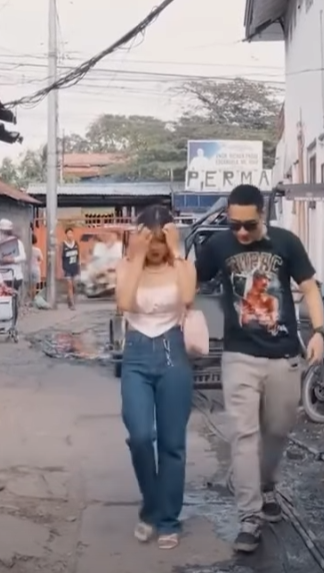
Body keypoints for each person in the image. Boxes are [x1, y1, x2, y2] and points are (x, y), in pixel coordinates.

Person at [195, 184, 324, 554]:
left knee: (278, 432)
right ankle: (249, 517)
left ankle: (267, 485)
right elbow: (190, 278)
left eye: (248, 225)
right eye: (234, 224)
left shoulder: (285, 243)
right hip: (239, 356)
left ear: (262, 216)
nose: (240, 232)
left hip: (283, 357)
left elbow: (309, 288)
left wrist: (319, 332)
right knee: (244, 436)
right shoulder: (218, 246)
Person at [115, 205, 196, 550]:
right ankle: (151, 505)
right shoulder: (126, 266)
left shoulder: (182, 265)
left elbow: (188, 297)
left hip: (172, 352)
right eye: (152, 239)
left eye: (163, 239)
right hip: (136, 354)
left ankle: (167, 520)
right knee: (139, 436)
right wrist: (135, 257)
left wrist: (177, 252)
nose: (157, 247)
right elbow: (124, 302)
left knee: (172, 443)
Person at [0, 219, 27, 321]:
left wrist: (12, 259)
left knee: (12, 301)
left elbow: (23, 257)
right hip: (2, 277)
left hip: (15, 276)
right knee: (1, 301)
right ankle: (3, 322)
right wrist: (0, 280)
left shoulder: (17, 242)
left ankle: (12, 323)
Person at [61, 227, 80, 309]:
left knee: (74, 285)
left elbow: (78, 256)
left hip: (75, 268)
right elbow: (60, 257)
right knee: (69, 285)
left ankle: (69, 298)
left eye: (71, 233)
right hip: (67, 268)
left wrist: (79, 266)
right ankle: (72, 304)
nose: (70, 235)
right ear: (66, 235)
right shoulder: (63, 245)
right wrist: (61, 269)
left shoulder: (76, 244)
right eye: (68, 233)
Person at [30, 233, 43, 299]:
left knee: (27, 285)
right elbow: (41, 259)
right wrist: (38, 264)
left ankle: (27, 299)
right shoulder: (37, 250)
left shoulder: (26, 249)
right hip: (35, 268)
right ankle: (33, 299)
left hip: (27, 269)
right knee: (34, 286)